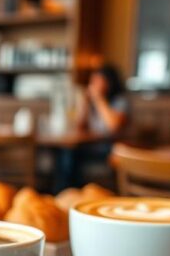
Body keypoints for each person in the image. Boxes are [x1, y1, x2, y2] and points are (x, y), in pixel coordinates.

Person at [54, 64, 129, 192]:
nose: (93, 84)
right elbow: (79, 126)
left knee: (70, 156)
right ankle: (67, 192)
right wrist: (85, 103)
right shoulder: (92, 102)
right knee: (66, 152)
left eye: (97, 81)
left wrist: (99, 99)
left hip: (111, 147)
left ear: (109, 82)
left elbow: (113, 126)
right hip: (92, 145)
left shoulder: (120, 101)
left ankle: (75, 191)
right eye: (92, 81)